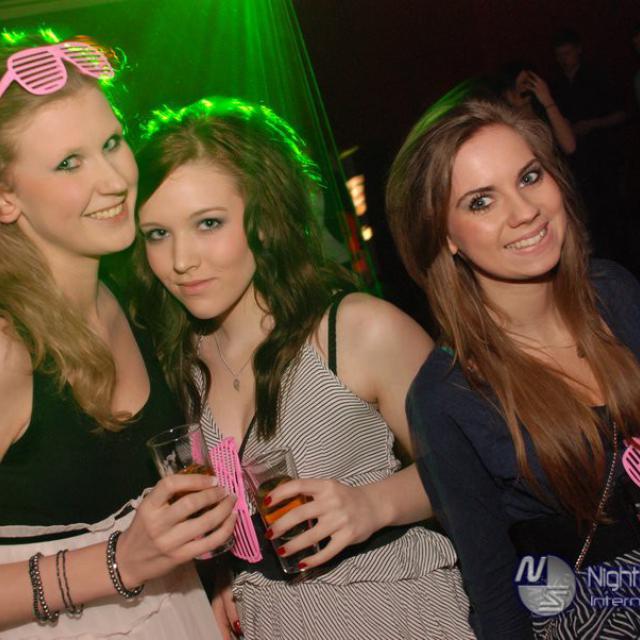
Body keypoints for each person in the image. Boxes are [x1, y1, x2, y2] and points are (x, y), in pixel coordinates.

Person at [132, 96, 475, 640]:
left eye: (209, 223)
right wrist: (221, 574)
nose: (180, 260)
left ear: (265, 220)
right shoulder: (178, 366)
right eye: (157, 233)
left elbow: (476, 470)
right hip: (271, 621)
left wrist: (372, 504)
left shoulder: (358, 330)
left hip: (396, 613)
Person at [0, 32, 236, 638]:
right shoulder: (7, 347)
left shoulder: (138, 299)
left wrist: (214, 573)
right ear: (5, 198)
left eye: (111, 143)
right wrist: (119, 564)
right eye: (68, 163)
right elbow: (130, 555)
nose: (114, 180)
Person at [386, 94, 640, 639]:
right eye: (481, 202)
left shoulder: (615, 292)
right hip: (599, 616)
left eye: (529, 177)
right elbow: (493, 586)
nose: (524, 211)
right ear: (446, 236)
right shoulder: (447, 396)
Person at [494, 62, 575, 155]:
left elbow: (570, 146)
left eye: (526, 83)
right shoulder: (506, 125)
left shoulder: (547, 113)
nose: (522, 88)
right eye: (516, 84)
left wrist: (547, 100)